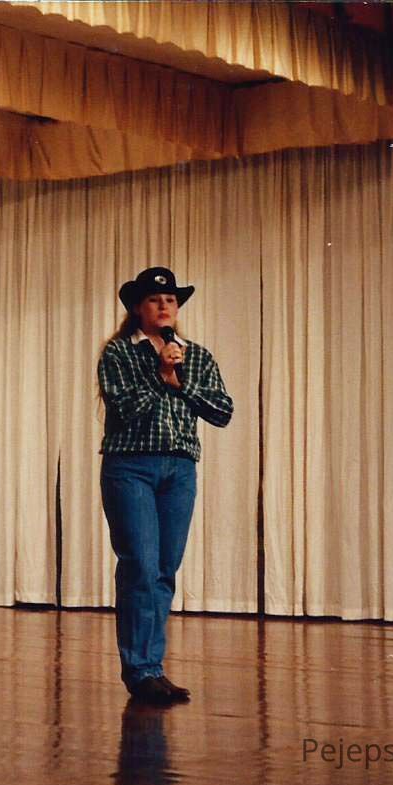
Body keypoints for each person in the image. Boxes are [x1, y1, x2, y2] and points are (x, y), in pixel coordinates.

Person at [97, 266, 234, 705]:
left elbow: (222, 411)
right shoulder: (119, 353)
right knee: (139, 564)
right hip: (131, 467)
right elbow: (125, 407)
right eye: (155, 300)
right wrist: (160, 374)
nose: (163, 306)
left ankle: (153, 668)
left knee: (163, 570)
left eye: (170, 300)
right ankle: (139, 670)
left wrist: (179, 381)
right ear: (138, 308)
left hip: (179, 471)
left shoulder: (196, 356)